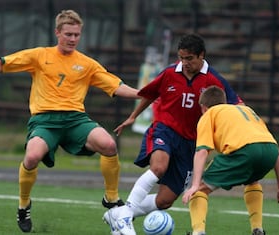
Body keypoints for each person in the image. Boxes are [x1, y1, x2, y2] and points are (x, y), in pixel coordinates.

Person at [0, 9, 140, 233]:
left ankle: (111, 198)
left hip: (75, 120)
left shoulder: (87, 64)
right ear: (57, 33)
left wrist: (142, 93)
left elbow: (116, 86)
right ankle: (24, 205)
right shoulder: (39, 55)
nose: (73, 39)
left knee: (108, 144)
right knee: (32, 157)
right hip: (44, 120)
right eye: (68, 34)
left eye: (77, 35)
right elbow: (4, 64)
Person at [103, 33, 243, 235]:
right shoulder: (169, 73)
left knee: (165, 200)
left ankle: (119, 214)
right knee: (159, 167)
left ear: (201, 55)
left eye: (189, 59)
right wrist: (133, 116)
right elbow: (151, 93)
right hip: (165, 129)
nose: (184, 63)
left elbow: (236, 104)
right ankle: (125, 215)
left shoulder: (214, 79)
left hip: (191, 143)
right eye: (181, 58)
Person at [182, 86, 279, 235]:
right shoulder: (247, 110)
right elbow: (274, 148)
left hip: (245, 151)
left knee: (200, 190)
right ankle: (257, 229)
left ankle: (198, 232)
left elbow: (202, 151)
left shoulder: (209, 114)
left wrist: (194, 185)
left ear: (203, 107)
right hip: (270, 151)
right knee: (252, 180)